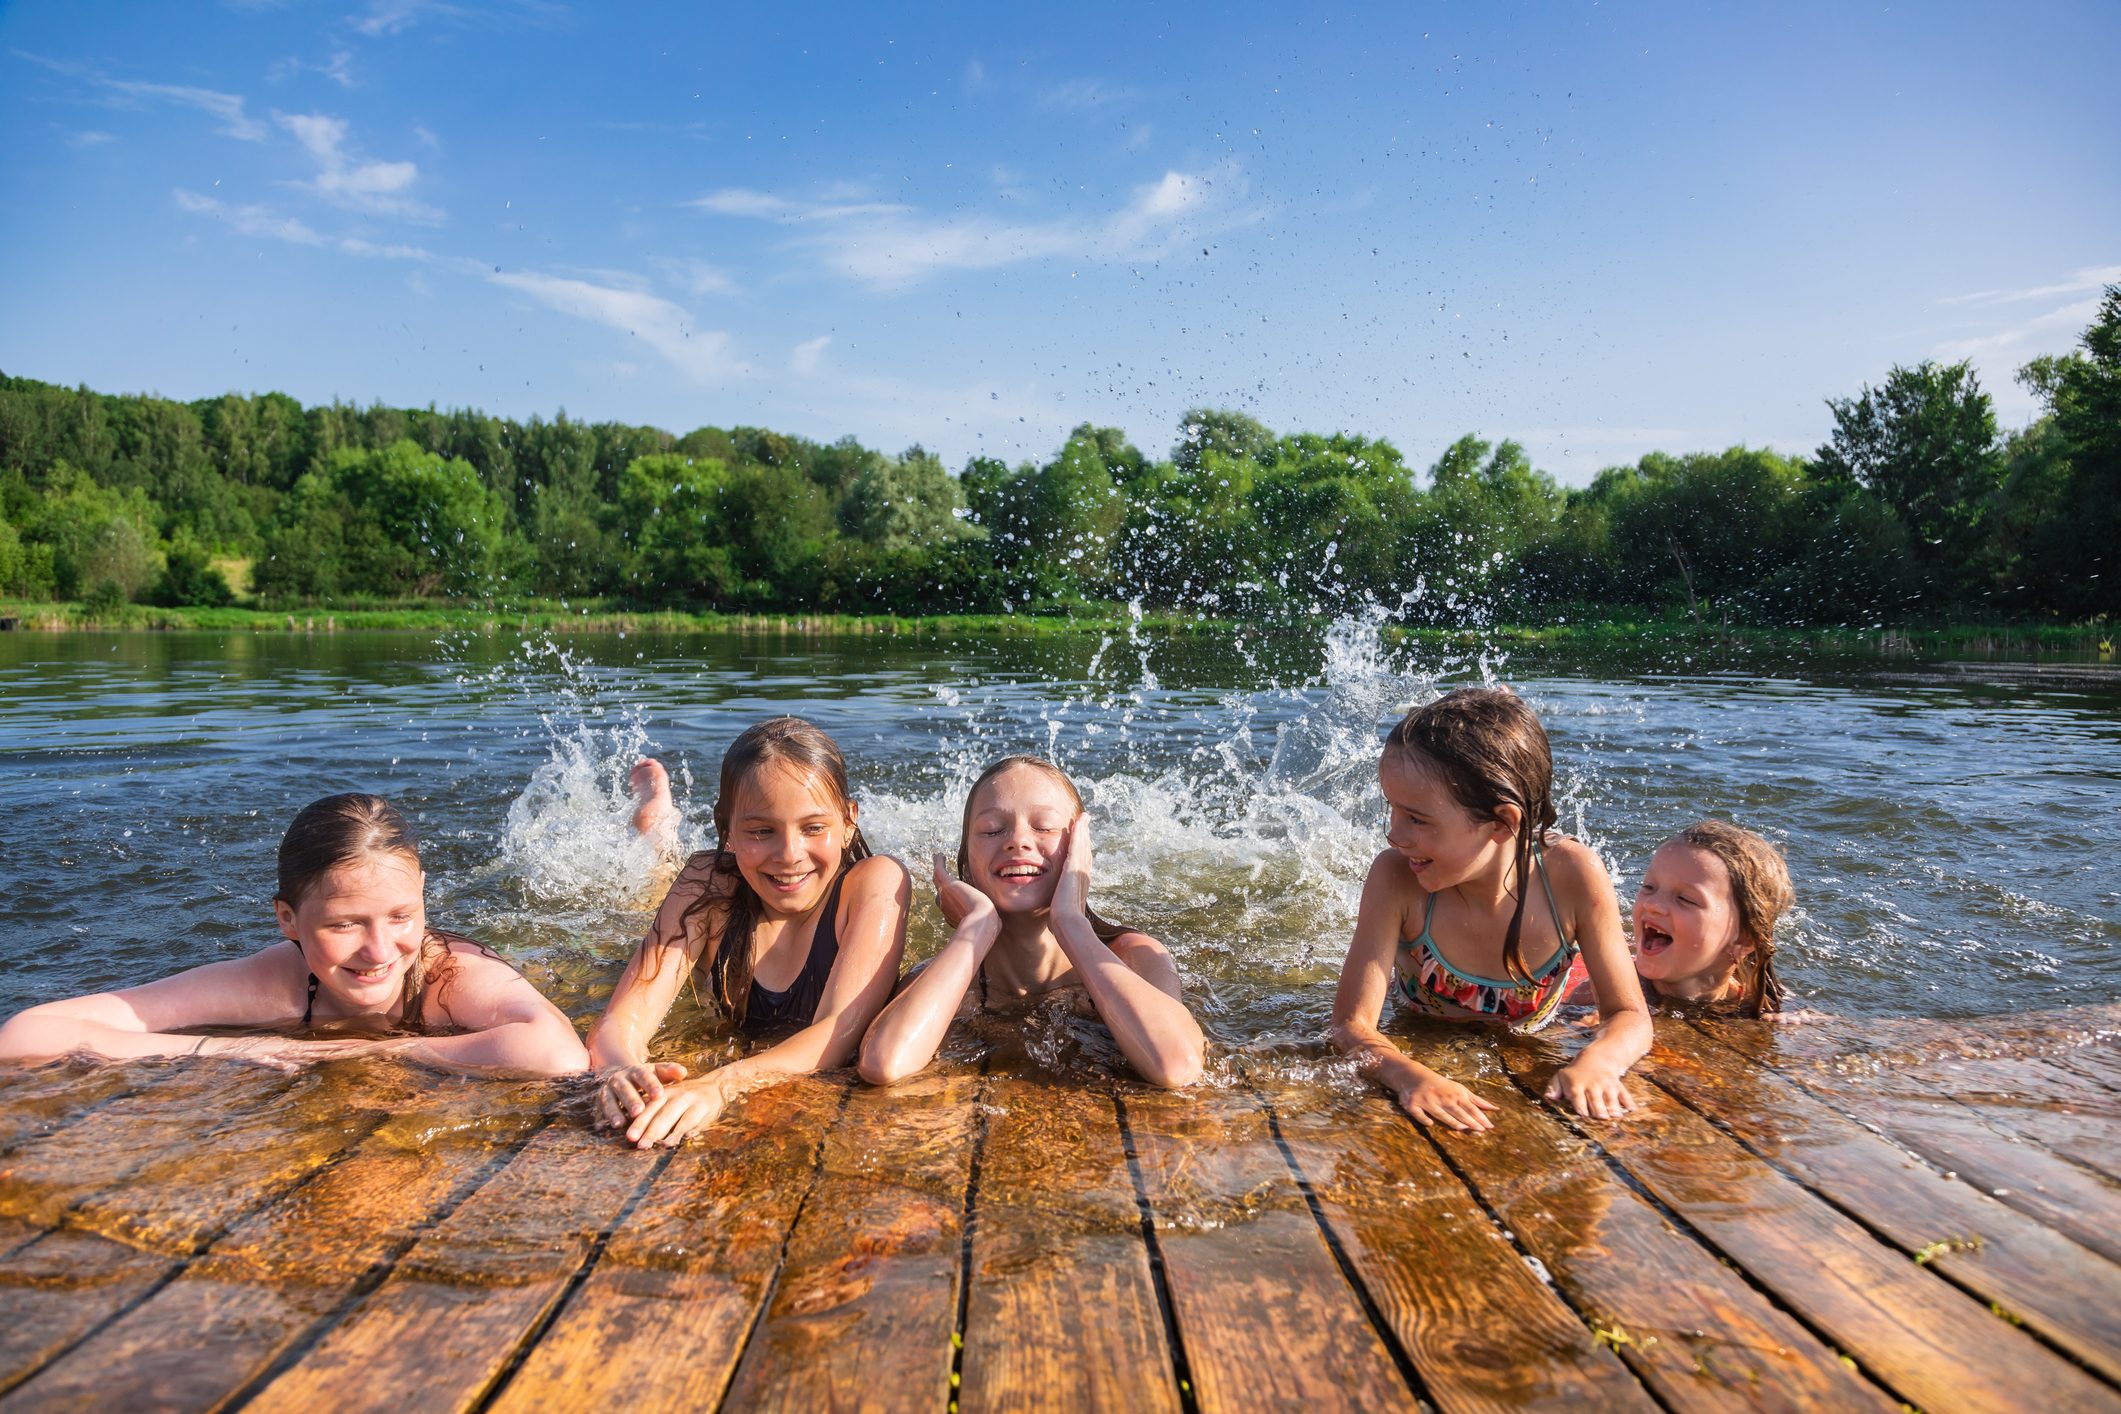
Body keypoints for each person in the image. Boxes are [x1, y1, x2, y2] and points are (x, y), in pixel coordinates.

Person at [0, 793, 588, 1075]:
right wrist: (246, 1048)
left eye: (402, 916)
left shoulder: (448, 978)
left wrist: (389, 1051)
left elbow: (558, 1052)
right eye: (344, 924)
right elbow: (25, 1034)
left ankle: (651, 840)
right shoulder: (275, 983)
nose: (381, 951)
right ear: (288, 921)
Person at [1329, 686, 1652, 1131]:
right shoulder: (1395, 878)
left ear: (1502, 823)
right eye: (1393, 811)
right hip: (1425, 1024)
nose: (1394, 835)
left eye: (1416, 819)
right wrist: (1409, 1074)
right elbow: (1350, 1026)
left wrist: (1599, 1062)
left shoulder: (1573, 877)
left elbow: (1630, 1015)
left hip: (1540, 1022)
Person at [590, 717, 909, 1147]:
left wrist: (721, 1085)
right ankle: (656, 826)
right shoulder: (708, 884)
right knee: (650, 894)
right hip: (720, 880)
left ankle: (659, 828)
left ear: (849, 820)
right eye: (761, 831)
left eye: (814, 828)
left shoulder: (875, 883)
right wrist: (621, 1069)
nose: (790, 856)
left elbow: (838, 1030)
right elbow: (621, 1020)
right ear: (727, 831)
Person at [859, 756, 1205, 1090]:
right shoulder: (944, 981)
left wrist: (1071, 922)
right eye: (992, 830)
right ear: (966, 867)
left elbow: (1178, 1065)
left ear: (1081, 854)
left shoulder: (1134, 956)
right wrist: (976, 927)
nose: (1017, 840)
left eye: (1044, 826)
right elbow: (885, 1063)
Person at [1624, 820, 1792, 1017]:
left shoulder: (1767, 1006)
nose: (1652, 904)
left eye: (1685, 899)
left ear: (1743, 940)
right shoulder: (1605, 989)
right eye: (1649, 887)